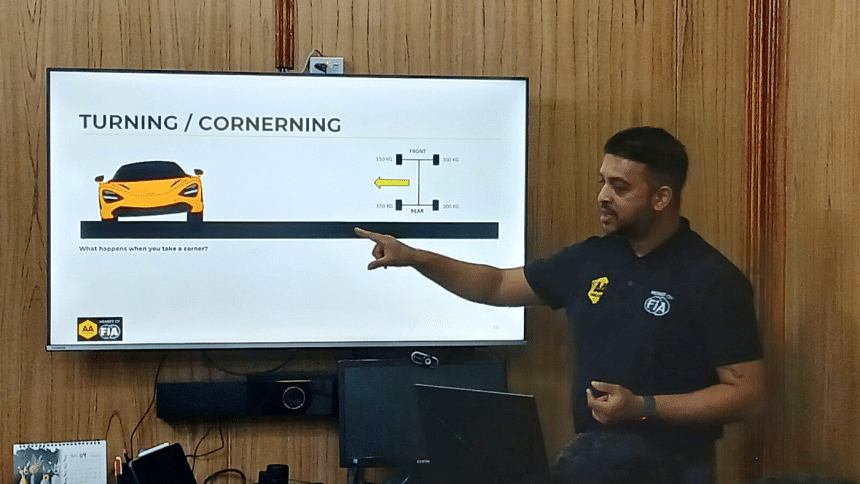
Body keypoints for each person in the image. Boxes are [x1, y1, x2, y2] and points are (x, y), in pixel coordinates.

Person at [355, 126, 765, 484]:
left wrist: (643, 408)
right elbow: (497, 285)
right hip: (593, 463)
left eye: (620, 187)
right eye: (602, 182)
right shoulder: (592, 259)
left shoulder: (712, 279)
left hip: (676, 469)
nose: (603, 196)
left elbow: (747, 395)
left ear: (661, 198)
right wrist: (415, 257)